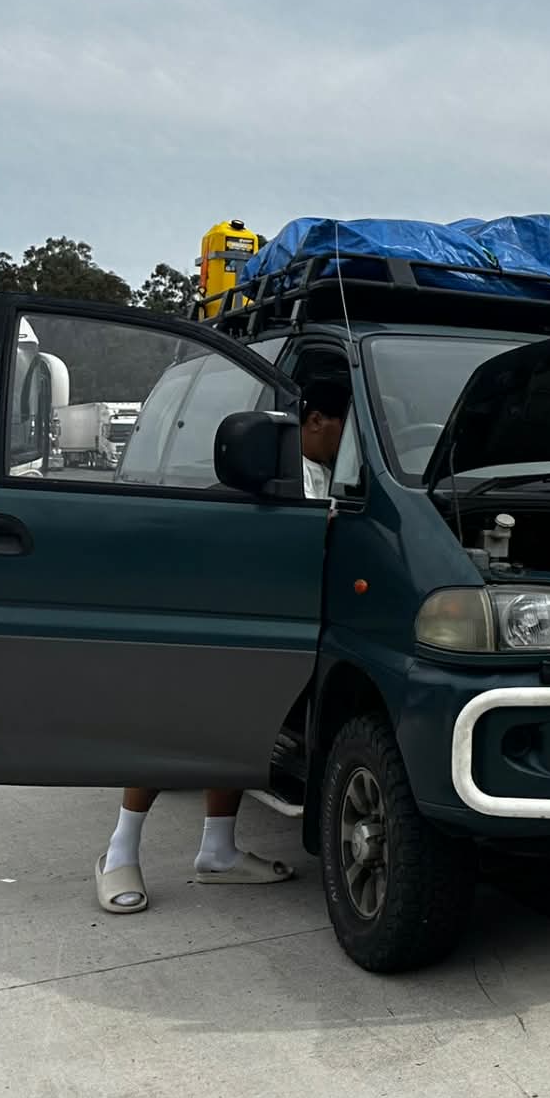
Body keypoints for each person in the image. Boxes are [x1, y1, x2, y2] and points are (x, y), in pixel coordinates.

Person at [91, 379, 350, 914]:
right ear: (317, 419)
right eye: (346, 426)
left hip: (278, 625)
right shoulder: (265, 466)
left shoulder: (330, 474)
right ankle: (118, 852)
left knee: (242, 733)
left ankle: (218, 852)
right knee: (173, 731)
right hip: (214, 614)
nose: (350, 440)